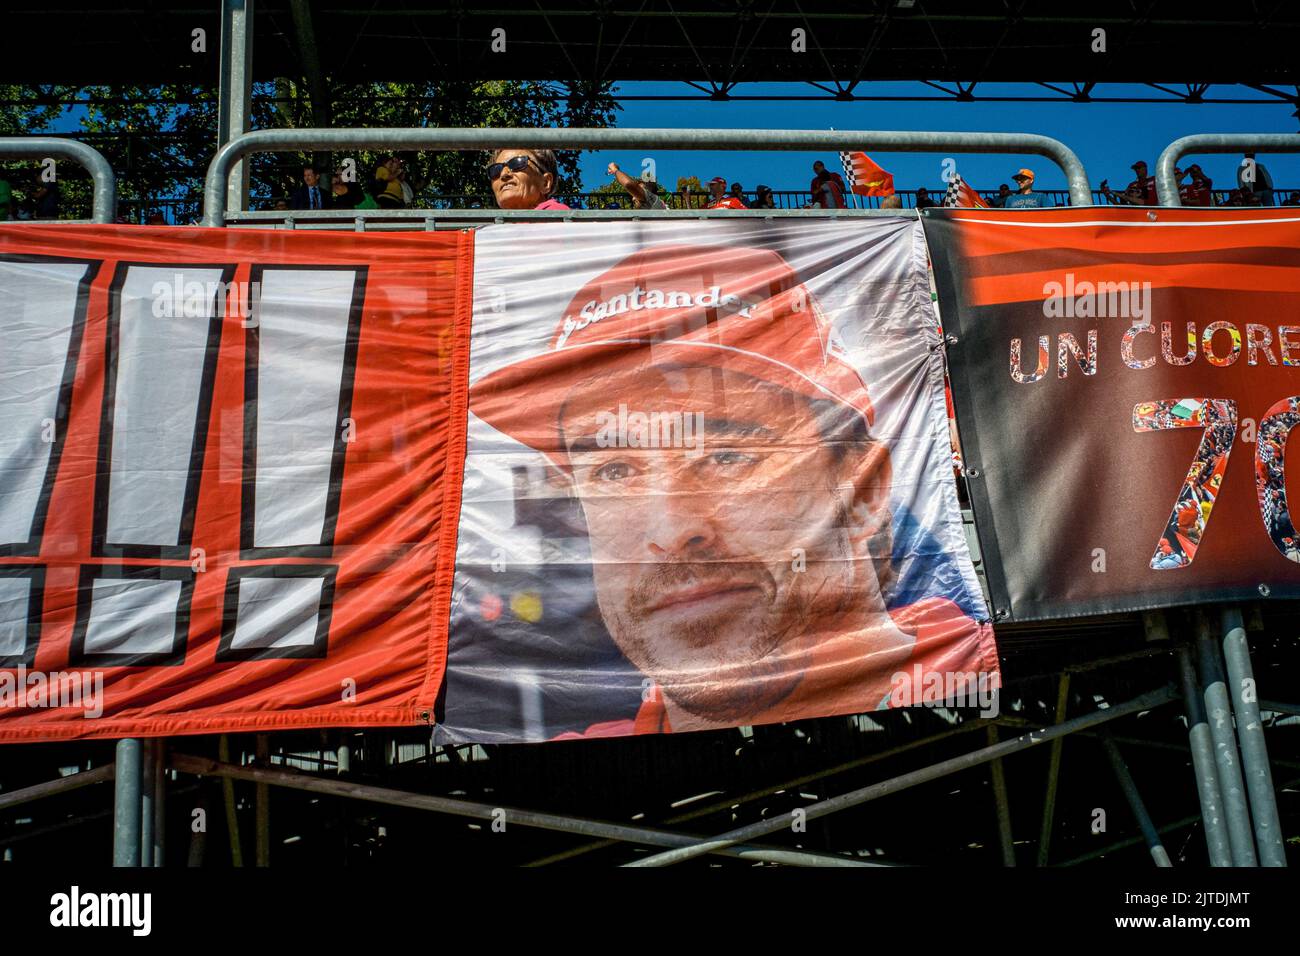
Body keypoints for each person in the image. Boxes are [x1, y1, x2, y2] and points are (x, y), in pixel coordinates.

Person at [468, 244, 991, 735]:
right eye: (615, 472)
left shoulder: (983, 706)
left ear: (863, 492)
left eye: (725, 458)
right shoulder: (567, 792)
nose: (671, 531)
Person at [486, 148, 570, 210]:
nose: (503, 174)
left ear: (545, 182)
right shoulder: (488, 228)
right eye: (495, 170)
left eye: (517, 163)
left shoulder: (559, 218)